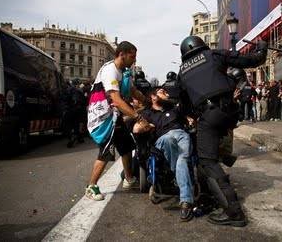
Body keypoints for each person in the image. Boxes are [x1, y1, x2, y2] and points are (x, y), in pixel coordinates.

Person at [177, 35, 267, 227]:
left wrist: (196, 115)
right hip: (231, 111)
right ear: (202, 45)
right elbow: (252, 60)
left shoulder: (182, 72)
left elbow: (183, 106)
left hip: (209, 115)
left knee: (207, 161)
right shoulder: (213, 54)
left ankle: (234, 213)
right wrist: (262, 48)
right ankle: (210, 196)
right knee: (210, 155)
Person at [85, 41, 150, 200]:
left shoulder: (123, 72)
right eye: (132, 56)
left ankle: (129, 179)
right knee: (106, 151)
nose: (134, 60)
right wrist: (139, 117)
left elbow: (133, 91)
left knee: (126, 145)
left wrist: (148, 101)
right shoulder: (110, 71)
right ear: (122, 54)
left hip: (114, 116)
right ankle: (91, 186)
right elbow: (117, 100)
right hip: (104, 117)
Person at [134, 88, 194, 222]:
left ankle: (186, 202)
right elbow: (136, 129)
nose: (164, 93)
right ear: (153, 97)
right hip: (163, 139)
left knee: (183, 158)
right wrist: (145, 126)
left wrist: (188, 118)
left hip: (182, 135)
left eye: (165, 92)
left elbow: (187, 105)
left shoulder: (174, 109)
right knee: (170, 141)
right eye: (160, 91)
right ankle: (181, 182)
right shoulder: (147, 113)